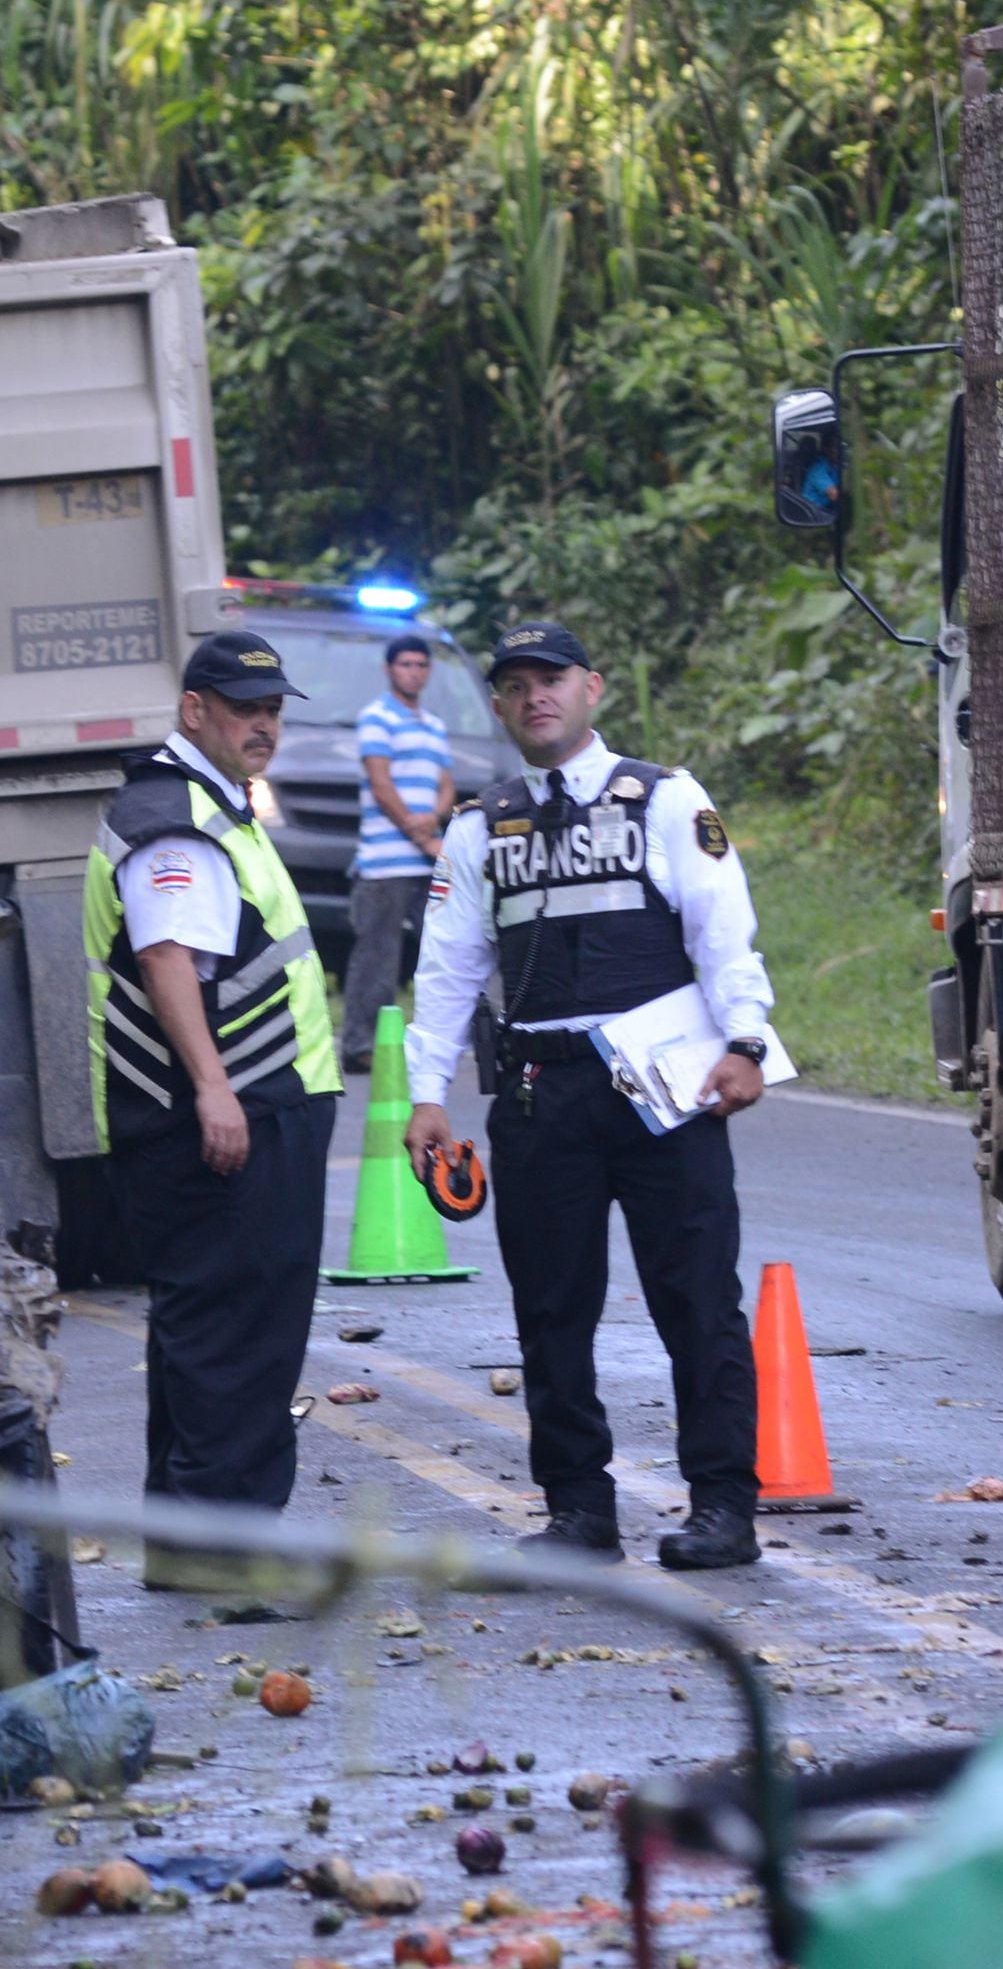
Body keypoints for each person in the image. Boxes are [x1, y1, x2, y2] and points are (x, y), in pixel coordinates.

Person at [400, 622, 787, 1571]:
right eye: (518, 684)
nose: (538, 696)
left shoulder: (665, 799)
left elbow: (721, 931)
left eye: (554, 680)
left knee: (697, 1301)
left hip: (667, 1092)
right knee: (551, 1310)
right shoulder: (476, 826)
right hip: (542, 1094)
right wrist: (426, 1095)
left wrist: (743, 1042)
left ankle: (723, 1507)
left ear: (593, 689)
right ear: (498, 705)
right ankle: (579, 1511)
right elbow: (447, 970)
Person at [80, 628, 346, 1554]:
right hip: (229, 1115)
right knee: (241, 1337)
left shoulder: (207, 802)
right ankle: (223, 1553)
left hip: (246, 1104)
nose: (262, 725)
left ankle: (193, 1544)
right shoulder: (174, 816)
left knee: (207, 1333)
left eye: (272, 709)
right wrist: (215, 1090)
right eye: (243, 708)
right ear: (194, 710)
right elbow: (165, 956)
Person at [342, 635, 459, 1066]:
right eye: (406, 664)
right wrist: (421, 833)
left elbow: (446, 784)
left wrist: (434, 818)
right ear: (389, 669)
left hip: (426, 857)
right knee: (377, 958)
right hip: (384, 862)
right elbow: (381, 783)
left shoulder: (434, 725)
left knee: (444, 950)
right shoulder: (375, 718)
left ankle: (442, 1040)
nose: (414, 671)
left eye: (421, 665)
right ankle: (360, 1046)